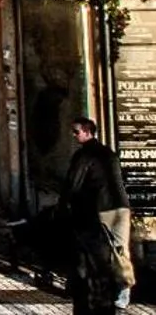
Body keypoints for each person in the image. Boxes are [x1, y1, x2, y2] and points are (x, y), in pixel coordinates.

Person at [66, 116, 134, 312]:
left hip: (101, 210)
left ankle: (105, 291)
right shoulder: (109, 153)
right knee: (121, 250)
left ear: (87, 132)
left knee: (99, 253)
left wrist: (64, 207)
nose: (74, 135)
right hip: (121, 207)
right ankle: (123, 292)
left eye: (76, 131)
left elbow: (73, 185)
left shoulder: (84, 156)